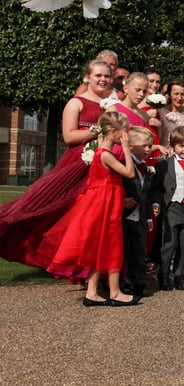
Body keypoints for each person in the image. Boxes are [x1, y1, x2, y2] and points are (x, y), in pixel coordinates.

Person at [0, 59, 114, 267]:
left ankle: (83, 260)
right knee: (54, 206)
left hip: (103, 163)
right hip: (77, 163)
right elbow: (69, 136)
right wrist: (98, 130)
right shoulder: (76, 103)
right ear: (87, 77)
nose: (103, 79)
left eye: (107, 76)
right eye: (98, 75)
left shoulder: (110, 105)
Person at [38, 112, 138, 306]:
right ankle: (115, 292)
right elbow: (129, 172)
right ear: (112, 132)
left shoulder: (100, 151)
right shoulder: (105, 154)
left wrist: (120, 198)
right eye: (123, 131)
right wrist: (126, 149)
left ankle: (92, 292)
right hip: (105, 207)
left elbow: (106, 182)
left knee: (98, 247)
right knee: (113, 245)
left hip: (103, 203)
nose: (126, 135)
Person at [150, 126, 184, 291]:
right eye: (181, 146)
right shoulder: (163, 165)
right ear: (173, 146)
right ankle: (164, 275)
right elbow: (156, 188)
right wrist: (156, 203)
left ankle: (179, 275)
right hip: (171, 208)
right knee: (169, 243)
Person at [121, 126, 156, 298]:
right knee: (122, 251)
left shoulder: (145, 167)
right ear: (131, 146)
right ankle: (120, 284)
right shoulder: (123, 164)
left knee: (139, 251)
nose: (148, 149)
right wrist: (122, 199)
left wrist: (148, 217)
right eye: (145, 146)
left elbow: (146, 194)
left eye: (150, 146)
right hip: (125, 215)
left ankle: (139, 284)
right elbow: (116, 185)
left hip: (140, 216)